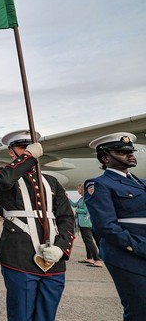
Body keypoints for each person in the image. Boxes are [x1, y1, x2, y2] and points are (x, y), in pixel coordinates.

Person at [0, 130, 75, 321]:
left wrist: (61, 248)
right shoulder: (1, 175)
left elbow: (66, 218)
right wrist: (28, 156)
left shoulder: (51, 182)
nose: (28, 150)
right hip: (20, 257)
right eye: (23, 147)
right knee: (21, 315)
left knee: (47, 315)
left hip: (53, 259)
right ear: (11, 152)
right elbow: (4, 181)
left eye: (32, 146)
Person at [84, 132, 146, 320]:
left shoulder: (142, 183)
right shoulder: (99, 184)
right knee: (140, 309)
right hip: (127, 254)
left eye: (130, 151)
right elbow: (106, 227)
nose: (130, 154)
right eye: (121, 151)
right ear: (105, 158)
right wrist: (140, 247)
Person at [69, 183, 102, 267]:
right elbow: (74, 204)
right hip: (83, 222)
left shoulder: (87, 198)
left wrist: (77, 210)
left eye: (79, 188)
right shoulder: (81, 199)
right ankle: (89, 258)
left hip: (86, 223)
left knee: (89, 241)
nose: (78, 190)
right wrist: (66, 197)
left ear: (83, 189)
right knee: (87, 241)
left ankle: (97, 260)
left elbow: (86, 210)